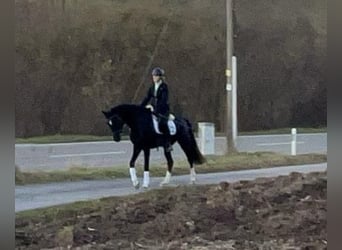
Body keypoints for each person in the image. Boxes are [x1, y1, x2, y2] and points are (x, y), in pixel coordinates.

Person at [141, 67, 173, 152]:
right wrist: (140, 107)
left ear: (160, 77)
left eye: (156, 76)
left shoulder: (164, 87)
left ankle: (168, 143)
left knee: (162, 123)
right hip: (153, 109)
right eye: (153, 76)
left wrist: (155, 109)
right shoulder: (152, 87)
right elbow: (147, 98)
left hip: (163, 110)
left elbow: (163, 100)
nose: (154, 77)